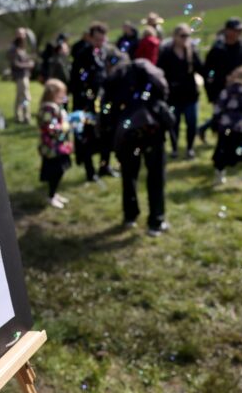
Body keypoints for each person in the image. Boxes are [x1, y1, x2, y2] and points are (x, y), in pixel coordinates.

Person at [105, 55, 172, 237]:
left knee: (128, 174)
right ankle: (156, 221)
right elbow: (164, 91)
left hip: (127, 133)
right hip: (152, 130)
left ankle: (130, 216)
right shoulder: (148, 73)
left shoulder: (116, 79)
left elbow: (108, 107)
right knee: (156, 176)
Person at [199, 17, 242, 143]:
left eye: (240, 30)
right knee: (222, 118)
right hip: (222, 92)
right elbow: (207, 73)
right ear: (227, 31)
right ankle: (222, 145)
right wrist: (211, 94)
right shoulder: (216, 50)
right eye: (235, 30)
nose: (238, 33)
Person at [70, 22, 111, 181]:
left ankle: (104, 166)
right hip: (87, 103)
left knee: (106, 135)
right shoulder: (82, 55)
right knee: (88, 137)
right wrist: (85, 100)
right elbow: (74, 80)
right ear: (90, 38)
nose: (100, 43)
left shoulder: (105, 52)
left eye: (102, 40)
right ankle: (90, 171)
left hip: (103, 101)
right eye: (97, 40)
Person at [157, 23, 203, 159]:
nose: (185, 38)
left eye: (187, 35)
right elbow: (160, 72)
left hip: (190, 95)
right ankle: (175, 148)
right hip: (173, 95)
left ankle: (189, 148)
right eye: (182, 35)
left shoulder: (192, 52)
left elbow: (201, 69)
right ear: (175, 36)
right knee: (174, 123)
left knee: (192, 123)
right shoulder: (166, 53)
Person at [37, 79, 73, 209]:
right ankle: (51, 196)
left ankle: (53, 193)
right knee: (56, 171)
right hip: (52, 148)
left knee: (59, 170)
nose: (64, 97)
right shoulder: (48, 108)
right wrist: (65, 126)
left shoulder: (54, 107)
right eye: (62, 94)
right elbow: (50, 128)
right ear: (53, 94)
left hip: (58, 147)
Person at [7, 28, 35, 124]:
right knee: (25, 97)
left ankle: (18, 117)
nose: (23, 36)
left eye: (24, 34)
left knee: (20, 97)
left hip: (24, 75)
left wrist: (29, 59)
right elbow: (15, 63)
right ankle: (26, 117)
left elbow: (23, 59)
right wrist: (28, 65)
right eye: (21, 34)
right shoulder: (14, 47)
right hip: (20, 76)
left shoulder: (21, 46)